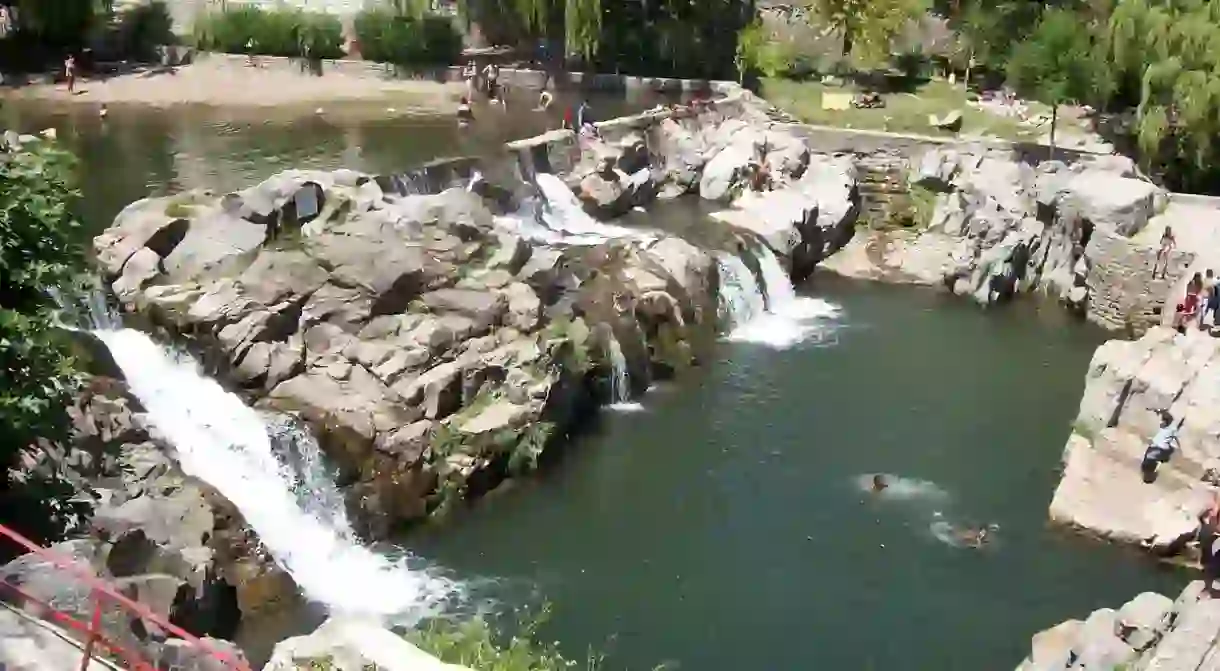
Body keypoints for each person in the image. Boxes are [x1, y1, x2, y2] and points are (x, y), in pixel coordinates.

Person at [1141, 410, 1181, 484]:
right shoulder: (1170, 429)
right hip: (1156, 449)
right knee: (1166, 452)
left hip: (1156, 449)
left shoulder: (1168, 429)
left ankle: (1164, 458)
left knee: (1165, 452)